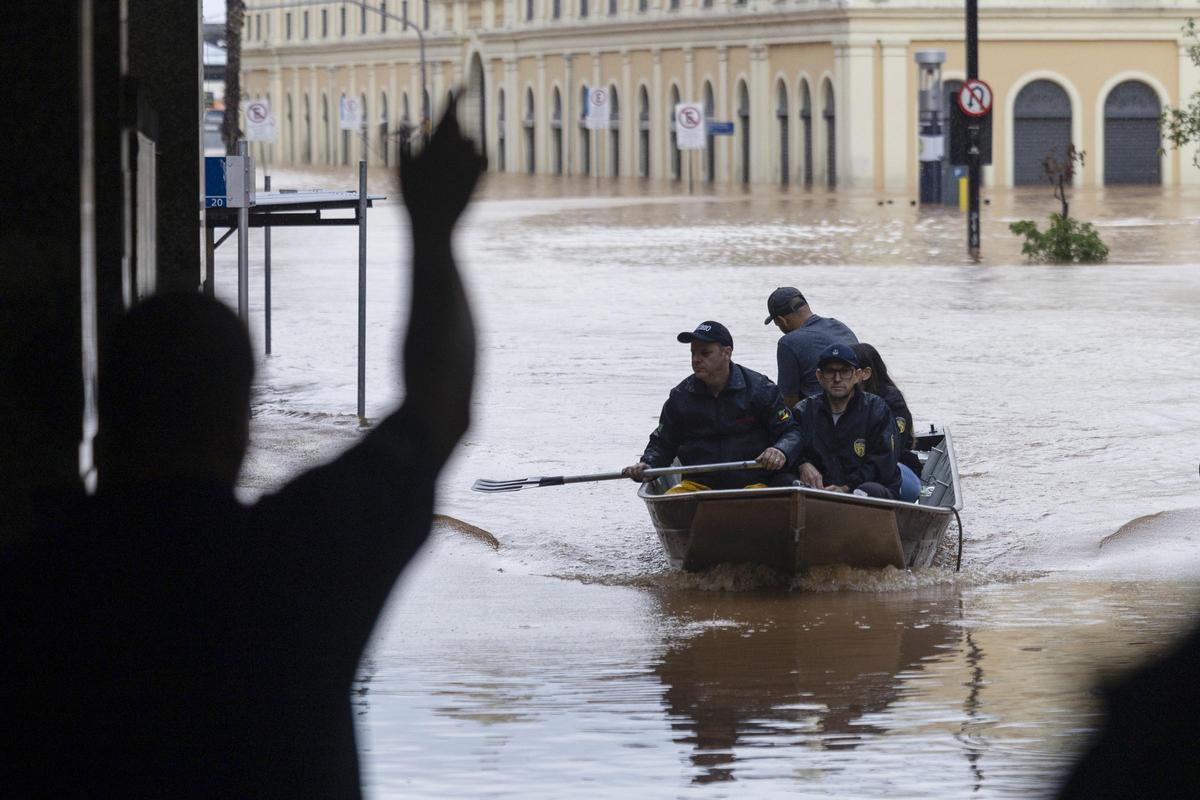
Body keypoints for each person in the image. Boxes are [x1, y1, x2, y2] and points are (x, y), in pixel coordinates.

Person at [0, 102, 484, 796]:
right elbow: (441, 401)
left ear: (101, 429)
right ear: (239, 430)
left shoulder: (28, 592)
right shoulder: (299, 560)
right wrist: (434, 227)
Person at [623, 321, 802, 491]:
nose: (696, 359)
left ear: (727, 352)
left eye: (705, 353)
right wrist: (647, 464)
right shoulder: (680, 396)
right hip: (698, 486)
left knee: (777, 489)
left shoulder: (760, 389)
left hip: (754, 483)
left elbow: (791, 432)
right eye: (693, 353)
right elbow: (662, 443)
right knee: (676, 499)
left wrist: (780, 450)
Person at [793, 343, 900, 499]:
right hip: (819, 491)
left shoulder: (876, 410)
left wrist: (846, 488)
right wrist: (801, 464)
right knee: (786, 482)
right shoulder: (803, 411)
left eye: (845, 372)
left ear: (857, 375)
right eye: (830, 372)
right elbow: (791, 447)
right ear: (819, 376)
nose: (837, 379)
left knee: (868, 490)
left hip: (864, 489)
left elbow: (882, 462)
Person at [764, 286, 859, 407]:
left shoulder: (788, 342)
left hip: (820, 414)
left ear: (782, 320)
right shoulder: (840, 326)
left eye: (777, 324)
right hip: (857, 407)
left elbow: (789, 399)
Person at [852, 342, 922, 502]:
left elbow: (893, 447)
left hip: (897, 466)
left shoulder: (892, 400)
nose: (839, 377)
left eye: (846, 371)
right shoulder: (842, 401)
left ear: (865, 374)